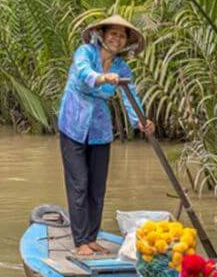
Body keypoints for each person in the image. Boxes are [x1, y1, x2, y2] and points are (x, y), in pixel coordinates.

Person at [58, 14, 155, 257]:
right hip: (73, 123)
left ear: (125, 42)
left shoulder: (121, 67)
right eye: (113, 33)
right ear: (101, 35)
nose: (117, 39)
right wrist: (102, 77)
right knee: (79, 184)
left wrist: (142, 122)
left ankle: (91, 237)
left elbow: (129, 95)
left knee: (97, 187)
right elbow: (83, 73)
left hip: (100, 129)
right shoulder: (85, 53)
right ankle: (80, 240)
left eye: (122, 36)